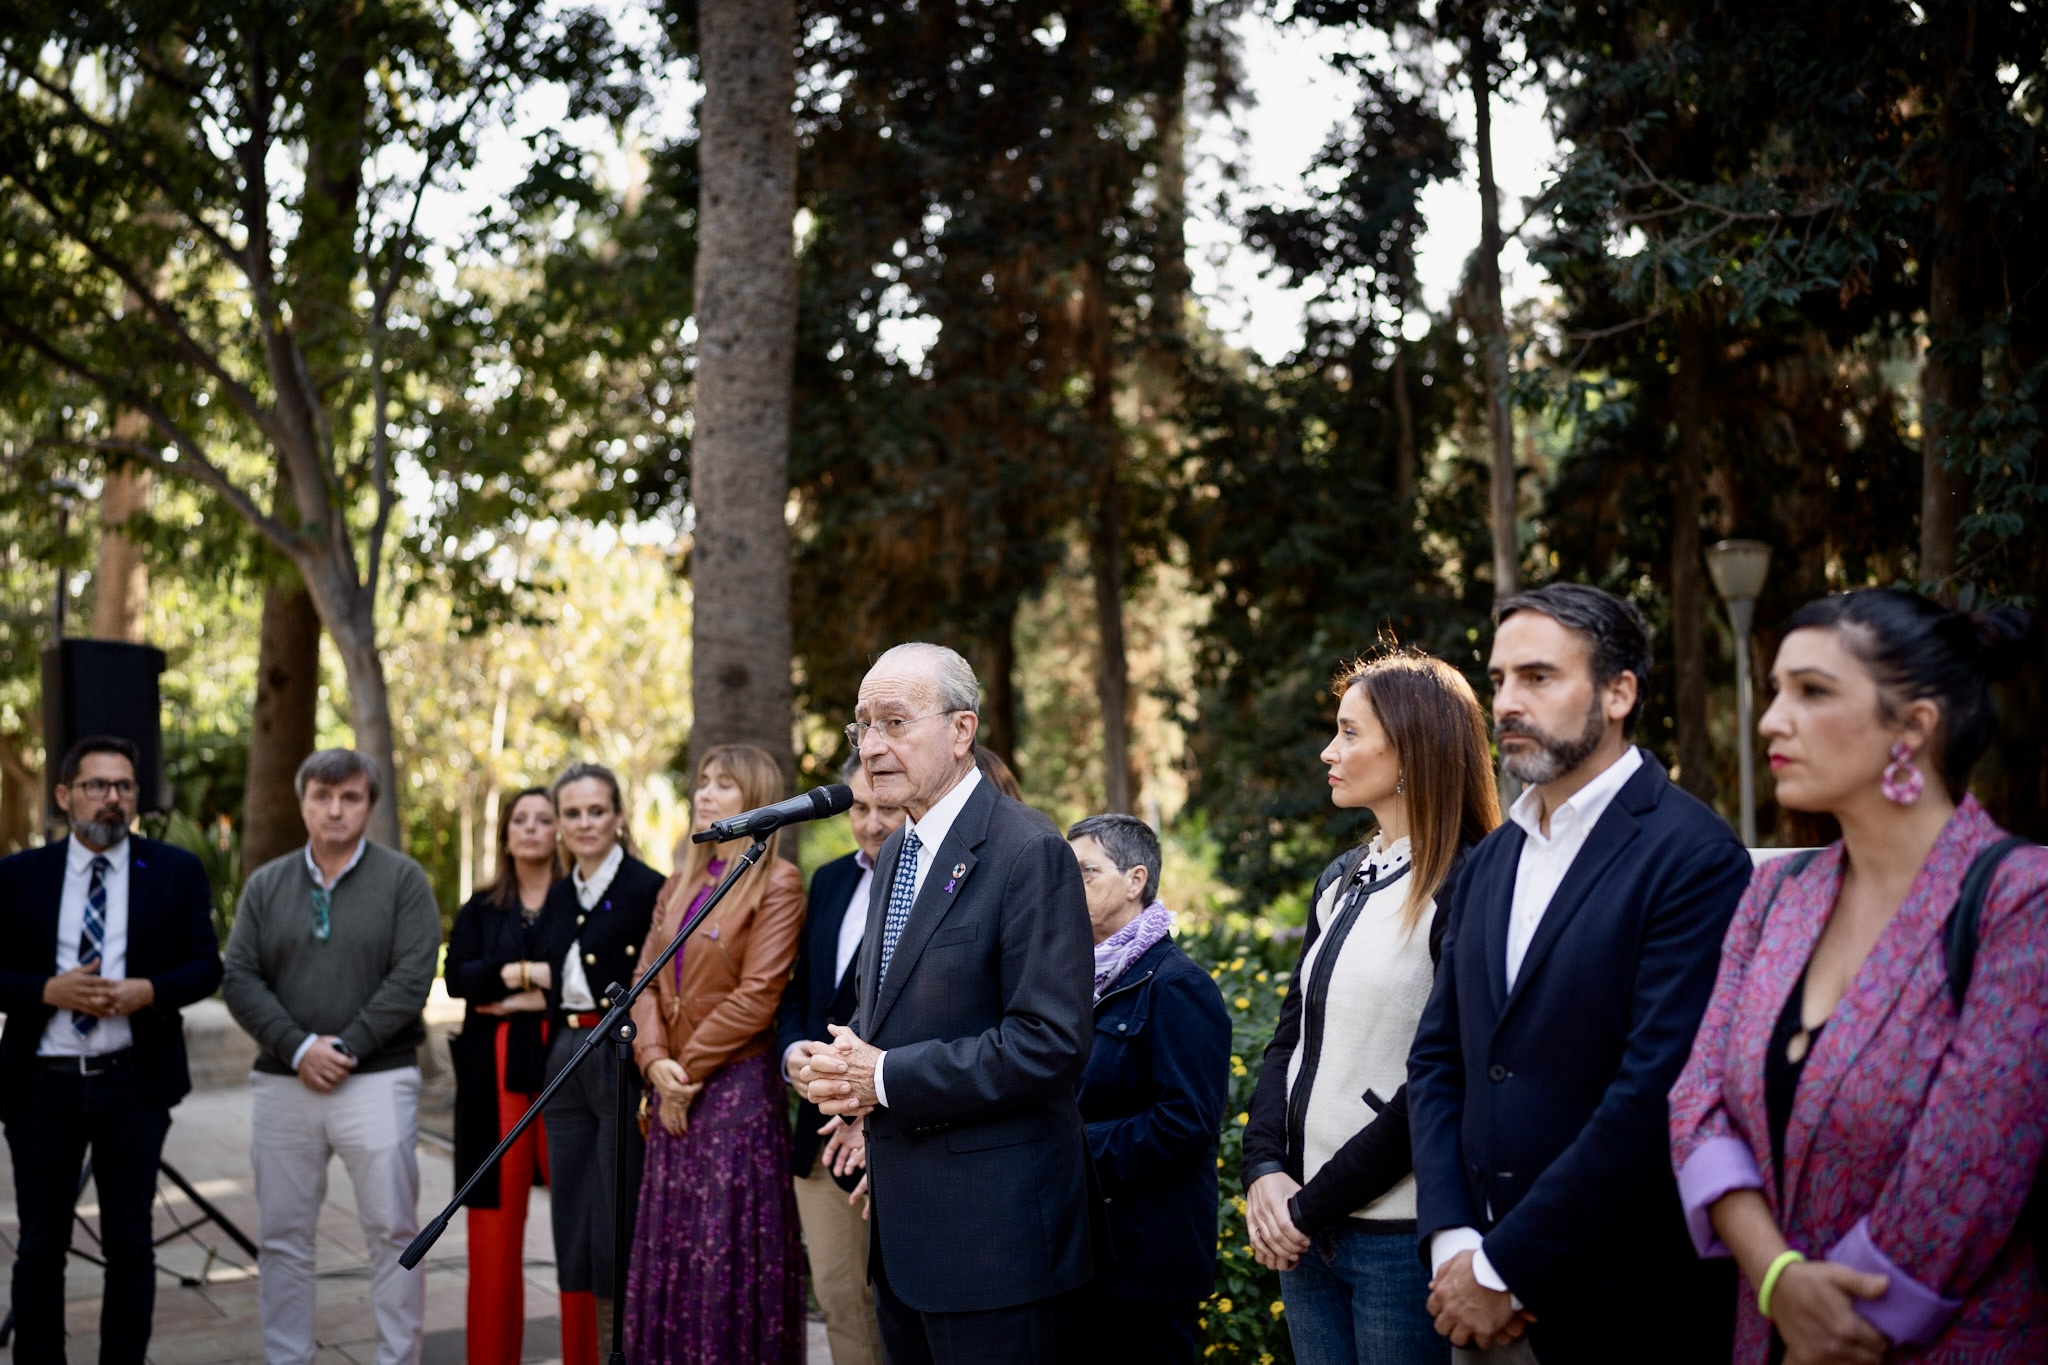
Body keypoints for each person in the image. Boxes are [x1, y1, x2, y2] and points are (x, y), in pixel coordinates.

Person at [1670, 589, 2048, 1364]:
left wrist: (1833, 1323)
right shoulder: (1774, 894)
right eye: (1776, 690)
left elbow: (1967, 1173)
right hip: (1766, 1333)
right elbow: (1695, 1103)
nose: (1772, 718)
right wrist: (1778, 1280)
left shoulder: (2022, 899)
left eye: (1811, 691)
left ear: (1913, 725)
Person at [1406, 584, 1753, 1363]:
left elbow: (1656, 1092)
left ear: (1619, 691)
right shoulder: (1493, 856)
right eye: (1498, 680)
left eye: (1538, 677)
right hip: (1467, 1293)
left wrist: (1505, 1268)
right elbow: (1439, 1058)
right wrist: (1455, 1240)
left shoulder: (1693, 855)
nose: (1507, 702)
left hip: (1623, 1306)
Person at [800, 641, 1095, 1365]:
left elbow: (1048, 1042)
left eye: (894, 722)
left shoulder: (1029, 850)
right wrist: (841, 1068)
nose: (872, 746)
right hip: (903, 1237)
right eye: (862, 726)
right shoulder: (899, 851)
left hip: (995, 1245)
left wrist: (885, 1076)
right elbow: (890, 1020)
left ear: (961, 732)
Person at [1243, 650, 1501, 1365]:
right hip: (1307, 1231)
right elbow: (1287, 1038)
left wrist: (1307, 1204)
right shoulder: (1342, 878)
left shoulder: (1471, 881)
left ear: (1413, 750)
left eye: (1351, 733)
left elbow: (1438, 1085)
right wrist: (1263, 1167)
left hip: (1395, 1237)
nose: (1330, 751)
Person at [0, 735, 222, 1365]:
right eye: (98, 786)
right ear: (66, 796)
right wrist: (47, 989)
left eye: (124, 787)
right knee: (41, 1243)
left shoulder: (175, 871)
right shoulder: (19, 877)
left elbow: (206, 968)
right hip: (42, 1085)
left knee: (131, 1242)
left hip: (134, 1082)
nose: (113, 799)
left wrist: (148, 991)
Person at [222, 749, 442, 1365]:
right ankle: (287, 1357)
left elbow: (413, 976)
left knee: (395, 1232)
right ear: (303, 803)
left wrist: (343, 1047)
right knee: (284, 1239)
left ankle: (398, 1358)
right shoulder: (267, 884)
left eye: (349, 797)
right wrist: (297, 1048)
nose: (335, 809)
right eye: (322, 796)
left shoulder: (403, 880)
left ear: (368, 803)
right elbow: (238, 975)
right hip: (283, 1081)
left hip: (376, 1078)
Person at [624, 744, 808, 1363]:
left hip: (732, 1093)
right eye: (702, 782)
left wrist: (684, 1073)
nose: (704, 793)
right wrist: (653, 1062)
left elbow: (759, 997)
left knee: (722, 1256)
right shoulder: (677, 882)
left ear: (755, 800)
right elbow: (644, 979)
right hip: (671, 1088)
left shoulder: (778, 883)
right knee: (672, 1253)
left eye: (723, 784)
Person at [1068, 812, 1230, 1365]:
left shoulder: (1179, 986)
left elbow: (1186, 1122)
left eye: (1086, 872)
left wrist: (1070, 1150)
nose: (1070, 886)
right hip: (1081, 1248)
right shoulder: (1068, 980)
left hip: (1145, 1261)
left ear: (1135, 880)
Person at [776, 758, 908, 1365]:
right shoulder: (827, 880)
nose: (873, 823)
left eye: (886, 807)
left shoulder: (938, 887)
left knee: (904, 1311)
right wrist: (792, 1053)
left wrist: (867, 1098)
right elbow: (799, 993)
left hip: (895, 1131)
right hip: (818, 1134)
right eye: (859, 808)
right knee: (837, 1300)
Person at [536, 762, 665, 1365]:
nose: (584, 823)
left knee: (618, 1202)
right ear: (560, 823)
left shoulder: (649, 887)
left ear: (618, 816)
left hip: (618, 1052)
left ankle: (624, 1348)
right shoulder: (559, 893)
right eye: (572, 813)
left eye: (596, 811)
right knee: (571, 1203)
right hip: (563, 1051)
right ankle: (586, 1348)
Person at [444, 788, 568, 1365]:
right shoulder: (481, 908)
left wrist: (510, 993)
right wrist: (531, 977)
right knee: (493, 1234)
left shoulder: (578, 900)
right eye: (521, 819)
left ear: (558, 831)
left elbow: (583, 983)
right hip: (492, 1074)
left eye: (545, 819)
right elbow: (459, 981)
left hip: (570, 1063)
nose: (532, 828)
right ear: (505, 832)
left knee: (580, 1225)